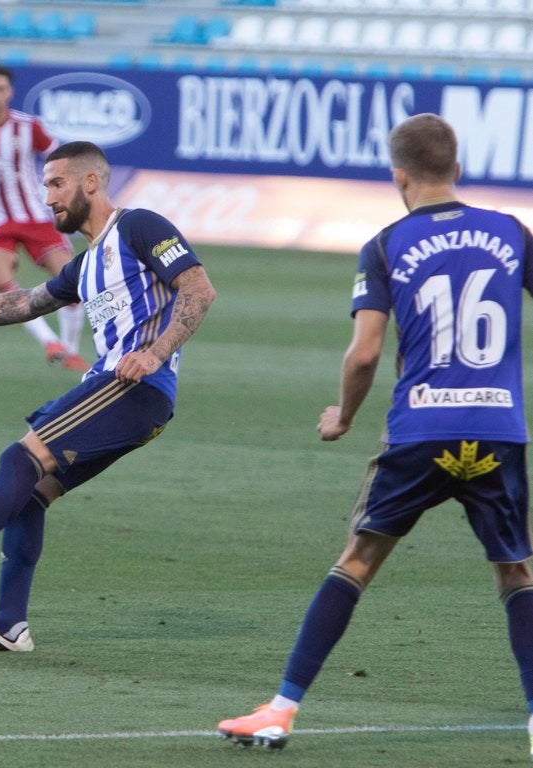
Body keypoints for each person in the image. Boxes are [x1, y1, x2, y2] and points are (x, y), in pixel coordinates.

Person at [217, 113, 533, 756]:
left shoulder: (386, 244)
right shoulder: (512, 232)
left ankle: (280, 710)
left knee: (357, 562)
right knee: (517, 571)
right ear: (459, 170)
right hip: (497, 429)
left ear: (398, 176)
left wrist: (344, 416)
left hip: (422, 432)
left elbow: (363, 355)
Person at [0, 141, 216, 651]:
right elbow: (23, 303)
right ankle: (10, 627)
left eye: (56, 184)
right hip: (124, 391)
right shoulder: (87, 263)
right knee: (31, 493)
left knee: (21, 457)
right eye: (44, 185)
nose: (46, 197)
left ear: (90, 182)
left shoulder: (140, 227)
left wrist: (156, 353)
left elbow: (199, 289)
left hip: (134, 386)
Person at [0, 64, 88, 372]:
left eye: (1, 89)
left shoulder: (28, 127)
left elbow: (58, 159)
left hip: (36, 216)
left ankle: (70, 350)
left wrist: (63, 191)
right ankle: (49, 341)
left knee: (71, 281)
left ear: (10, 92)